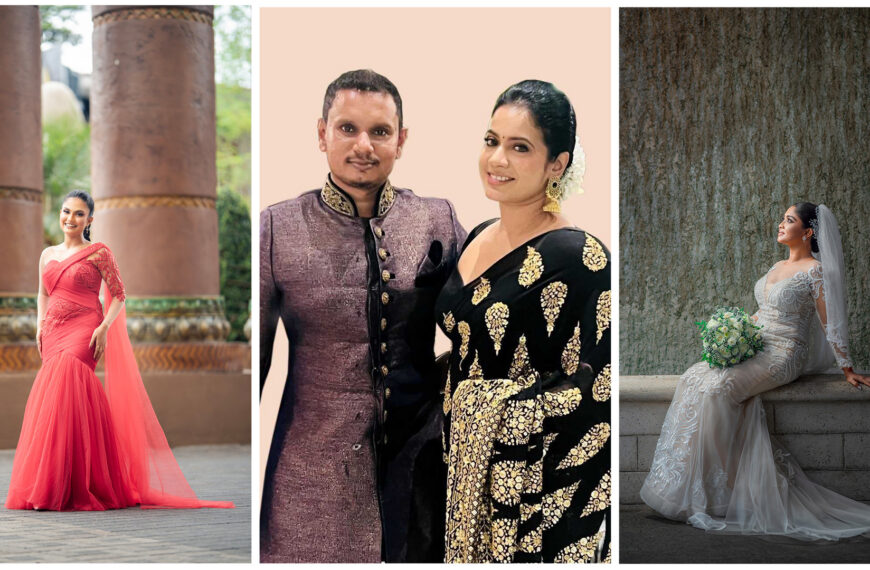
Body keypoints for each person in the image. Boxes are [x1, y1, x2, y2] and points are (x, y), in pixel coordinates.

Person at [259, 69, 466, 563]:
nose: (364, 146)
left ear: (401, 140)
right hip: (310, 473)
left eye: (380, 131)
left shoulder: (436, 218)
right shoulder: (277, 227)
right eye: (347, 128)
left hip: (420, 466)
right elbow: (257, 360)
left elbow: (478, 322)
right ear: (322, 134)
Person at [434, 80, 611, 563]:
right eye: (491, 141)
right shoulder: (476, 236)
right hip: (460, 473)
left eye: (520, 147)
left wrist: (500, 411)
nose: (497, 159)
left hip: (528, 501)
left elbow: (598, 391)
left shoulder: (580, 256)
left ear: (558, 163)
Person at [641, 202, 870, 539]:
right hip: (757, 343)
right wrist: (732, 334)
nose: (780, 224)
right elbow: (763, 313)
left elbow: (830, 321)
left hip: (785, 352)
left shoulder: (815, 271)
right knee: (693, 377)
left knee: (719, 389)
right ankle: (680, 485)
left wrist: (847, 368)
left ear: (807, 232)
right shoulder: (777, 265)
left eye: (789, 220)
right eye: (782, 218)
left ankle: (726, 489)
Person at [6, 190, 232, 511]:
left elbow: (120, 295)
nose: (71, 218)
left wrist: (103, 327)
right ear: (60, 213)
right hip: (54, 330)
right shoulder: (47, 254)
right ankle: (55, 484)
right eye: (67, 211)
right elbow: (42, 293)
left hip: (85, 327)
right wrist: (40, 324)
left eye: (79, 214)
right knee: (56, 398)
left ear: (89, 219)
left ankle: (66, 487)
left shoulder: (99, 252)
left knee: (68, 377)